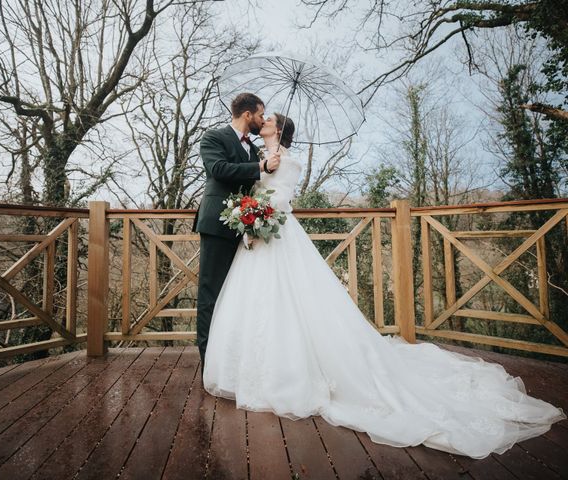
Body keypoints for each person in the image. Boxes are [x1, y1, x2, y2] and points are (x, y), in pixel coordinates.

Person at [202, 112, 566, 459]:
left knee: (294, 304)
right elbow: (244, 180)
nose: (263, 121)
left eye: (269, 120)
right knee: (260, 305)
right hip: (257, 241)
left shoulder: (289, 161)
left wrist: (260, 212)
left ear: (279, 130)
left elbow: (281, 199)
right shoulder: (258, 155)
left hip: (277, 236)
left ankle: (296, 374)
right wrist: (249, 210)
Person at [193, 93, 281, 371]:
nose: (261, 119)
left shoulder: (253, 149)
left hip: (245, 228)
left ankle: (231, 358)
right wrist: (260, 166)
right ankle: (208, 361)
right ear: (247, 114)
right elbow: (217, 169)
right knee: (211, 293)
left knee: (236, 295)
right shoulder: (213, 137)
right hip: (217, 226)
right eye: (259, 114)